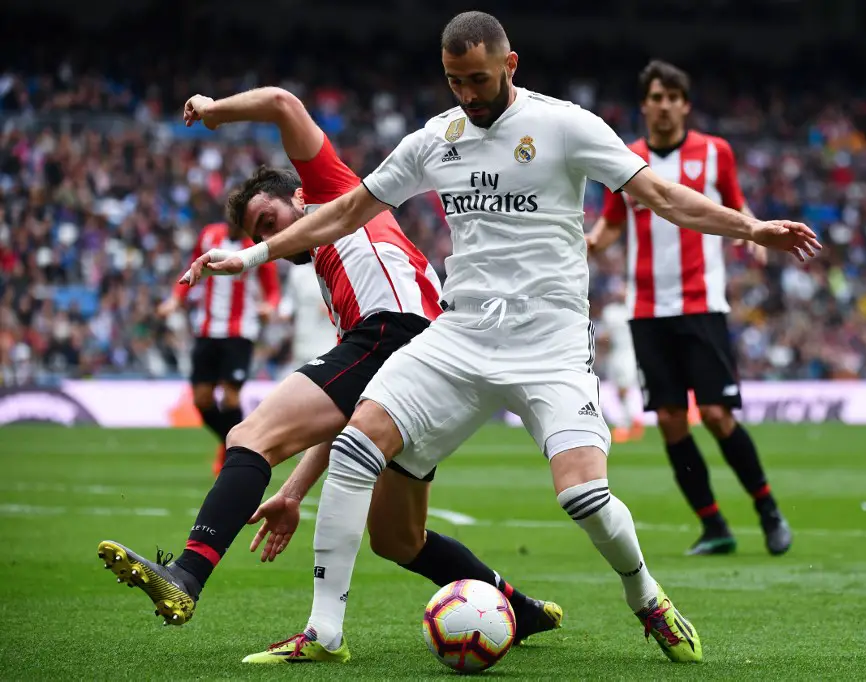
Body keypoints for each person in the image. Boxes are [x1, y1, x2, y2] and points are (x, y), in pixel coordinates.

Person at [180, 12, 819, 664]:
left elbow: (661, 195)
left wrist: (752, 228)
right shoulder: (437, 138)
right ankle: (324, 634)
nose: (468, 93)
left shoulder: (565, 125)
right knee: (353, 446)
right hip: (460, 334)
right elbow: (345, 210)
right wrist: (252, 258)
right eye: (455, 80)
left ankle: (645, 595)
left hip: (551, 339)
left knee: (583, 497)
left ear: (511, 65)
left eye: (480, 79)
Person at [96, 84, 562, 664]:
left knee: (249, 438)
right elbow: (344, 415)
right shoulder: (333, 275)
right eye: (257, 237)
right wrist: (292, 492)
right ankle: (519, 607)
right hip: (430, 359)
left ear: (297, 195)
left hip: (398, 334)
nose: (268, 240)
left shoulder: (330, 193)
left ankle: (187, 576)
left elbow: (284, 104)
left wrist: (215, 111)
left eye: (268, 220)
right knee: (399, 540)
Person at [587, 60, 793, 556]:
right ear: (645, 105)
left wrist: (756, 232)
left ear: (685, 104)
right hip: (646, 309)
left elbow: (737, 203)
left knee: (720, 414)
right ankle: (714, 524)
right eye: (655, 97)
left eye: (671, 96)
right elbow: (614, 222)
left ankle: (767, 509)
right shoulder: (627, 157)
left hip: (703, 303)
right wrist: (592, 241)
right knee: (673, 421)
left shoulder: (715, 152)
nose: (663, 105)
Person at [157, 222, 280, 475]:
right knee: (201, 399)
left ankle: (235, 454)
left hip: (239, 333)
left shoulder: (258, 247)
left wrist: (269, 306)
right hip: (207, 330)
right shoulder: (209, 235)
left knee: (230, 396)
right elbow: (193, 267)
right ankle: (232, 442)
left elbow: (272, 290)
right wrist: (175, 298)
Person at [599, 289, 646, 443]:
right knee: (619, 390)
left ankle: (625, 424)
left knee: (625, 388)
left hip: (629, 353)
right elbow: (606, 335)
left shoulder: (633, 309)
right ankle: (633, 419)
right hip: (614, 354)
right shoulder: (610, 312)